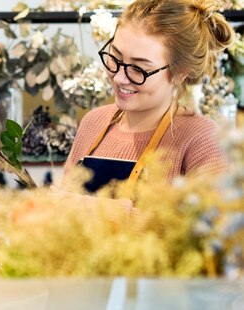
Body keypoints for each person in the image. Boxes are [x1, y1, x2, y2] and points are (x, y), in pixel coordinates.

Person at [63, 0, 233, 195]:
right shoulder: (93, 123)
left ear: (180, 73)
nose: (118, 77)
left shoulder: (202, 141)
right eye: (115, 57)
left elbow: (206, 223)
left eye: (138, 69)